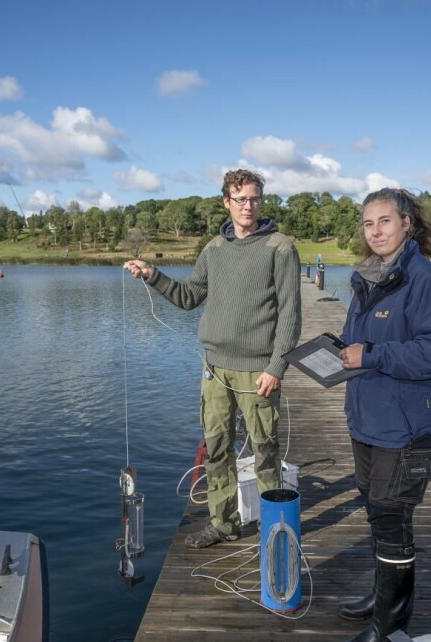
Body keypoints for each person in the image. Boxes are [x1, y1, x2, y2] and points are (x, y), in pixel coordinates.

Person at [124, 169, 302, 549]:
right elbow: (188, 297)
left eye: (254, 198)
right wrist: (152, 275)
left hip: (259, 371)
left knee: (265, 450)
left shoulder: (280, 246)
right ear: (227, 202)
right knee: (217, 448)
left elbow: (290, 314)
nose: (248, 206)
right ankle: (223, 523)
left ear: (261, 201)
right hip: (215, 369)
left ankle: (275, 526)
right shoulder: (214, 249)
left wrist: (276, 367)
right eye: (240, 199)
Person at [336, 188, 431, 641]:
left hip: (404, 425)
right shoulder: (366, 278)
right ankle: (378, 596)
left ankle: (389, 626)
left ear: (407, 223)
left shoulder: (426, 280)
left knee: (392, 517)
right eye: (368, 224)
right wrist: (337, 354)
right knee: (375, 510)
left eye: (385, 221)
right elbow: (356, 340)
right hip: (365, 417)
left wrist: (370, 354)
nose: (376, 231)